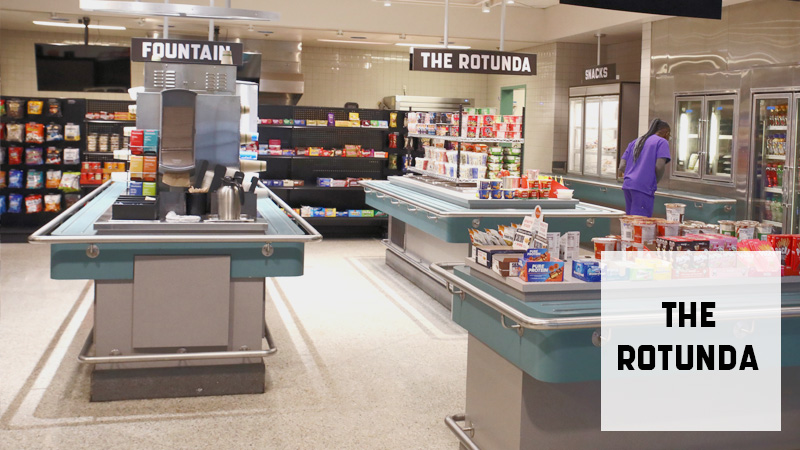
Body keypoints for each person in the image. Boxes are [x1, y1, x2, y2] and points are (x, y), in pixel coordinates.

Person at [617, 119, 671, 217]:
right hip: (643, 187)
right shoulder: (661, 142)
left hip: (628, 185)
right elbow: (659, 166)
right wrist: (653, 181)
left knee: (629, 220)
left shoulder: (635, 142)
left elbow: (621, 166)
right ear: (666, 133)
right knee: (640, 222)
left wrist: (634, 173)